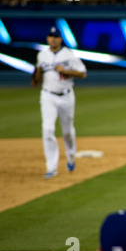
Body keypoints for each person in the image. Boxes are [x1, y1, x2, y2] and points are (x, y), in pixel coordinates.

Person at [31, 26, 87, 179]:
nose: (52, 39)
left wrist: (67, 71)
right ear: (47, 38)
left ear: (60, 39)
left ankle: (70, 155)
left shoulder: (68, 55)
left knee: (67, 131)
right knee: (47, 129)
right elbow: (36, 81)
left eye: (55, 36)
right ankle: (51, 167)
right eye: (50, 36)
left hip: (66, 96)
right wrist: (36, 74)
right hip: (47, 95)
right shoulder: (42, 55)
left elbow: (83, 73)